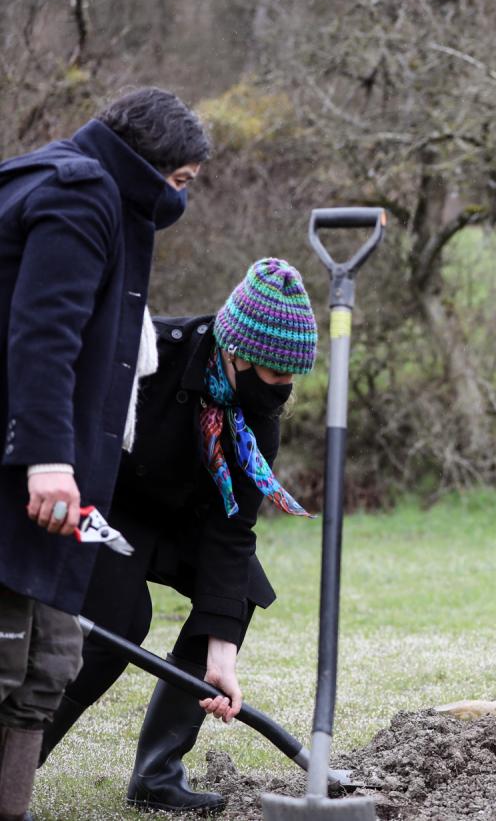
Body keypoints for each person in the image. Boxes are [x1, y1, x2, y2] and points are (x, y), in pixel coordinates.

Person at [39, 259, 318, 813]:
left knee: (235, 596)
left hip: (182, 520)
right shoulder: (150, 355)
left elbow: (233, 525)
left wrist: (223, 658)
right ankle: (16, 758)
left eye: (292, 377)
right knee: (119, 619)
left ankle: (157, 774)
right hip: (110, 508)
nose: (283, 389)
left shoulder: (258, 412)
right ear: (235, 351)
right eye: (274, 374)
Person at [0, 88, 207, 821]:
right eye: (179, 183)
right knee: (7, 662)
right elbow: (43, 335)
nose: (181, 202)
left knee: (46, 666)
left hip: (57, 480)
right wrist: (49, 458)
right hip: (26, 473)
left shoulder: (91, 192)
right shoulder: (77, 195)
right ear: (147, 167)